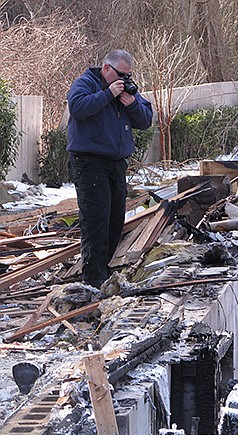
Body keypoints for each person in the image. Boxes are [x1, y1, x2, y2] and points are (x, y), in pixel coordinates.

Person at [67, 50, 153, 288]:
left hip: (116, 163)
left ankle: (103, 272)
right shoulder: (86, 83)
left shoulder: (126, 89)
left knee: (115, 219)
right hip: (89, 162)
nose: (124, 80)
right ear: (106, 68)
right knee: (96, 218)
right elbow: (77, 107)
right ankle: (93, 279)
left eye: (128, 76)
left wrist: (132, 104)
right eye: (120, 75)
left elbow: (146, 120)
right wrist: (107, 95)